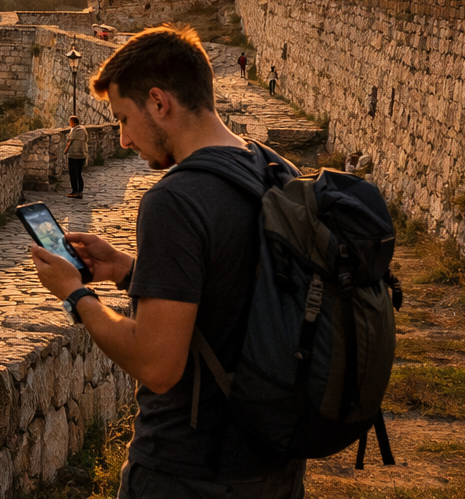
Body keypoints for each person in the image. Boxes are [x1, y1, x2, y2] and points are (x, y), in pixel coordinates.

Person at [29, 25, 305, 499]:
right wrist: (126, 270)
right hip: (273, 465)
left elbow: (158, 365)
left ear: (159, 103)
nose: (122, 140)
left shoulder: (175, 200)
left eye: (122, 119)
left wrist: (76, 295)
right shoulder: (273, 170)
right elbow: (235, 292)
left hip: (187, 470)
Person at [64, 115, 88, 199]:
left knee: (73, 174)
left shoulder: (75, 130)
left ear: (73, 122)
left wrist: (65, 150)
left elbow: (69, 140)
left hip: (74, 155)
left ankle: (74, 191)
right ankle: (80, 192)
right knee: (79, 174)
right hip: (82, 154)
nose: (69, 123)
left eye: (70, 122)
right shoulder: (83, 130)